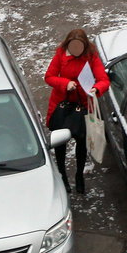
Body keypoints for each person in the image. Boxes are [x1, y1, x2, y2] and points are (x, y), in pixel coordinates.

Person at [44, 29, 110, 194]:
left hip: (84, 106)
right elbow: (49, 76)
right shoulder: (61, 54)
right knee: (60, 143)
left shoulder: (91, 56)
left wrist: (96, 89)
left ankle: (79, 175)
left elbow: (103, 80)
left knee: (82, 142)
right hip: (63, 106)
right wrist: (65, 83)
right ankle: (63, 177)